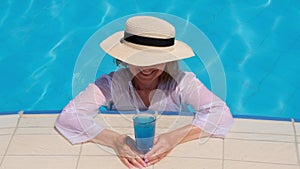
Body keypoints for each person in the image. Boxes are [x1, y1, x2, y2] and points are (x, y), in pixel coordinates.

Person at [55, 15, 234, 169]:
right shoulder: (110, 84)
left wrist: (174, 137)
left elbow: (221, 113)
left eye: (155, 59)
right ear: (124, 59)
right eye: (137, 58)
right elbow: (69, 117)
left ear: (169, 59)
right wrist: (116, 141)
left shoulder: (182, 83)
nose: (145, 67)